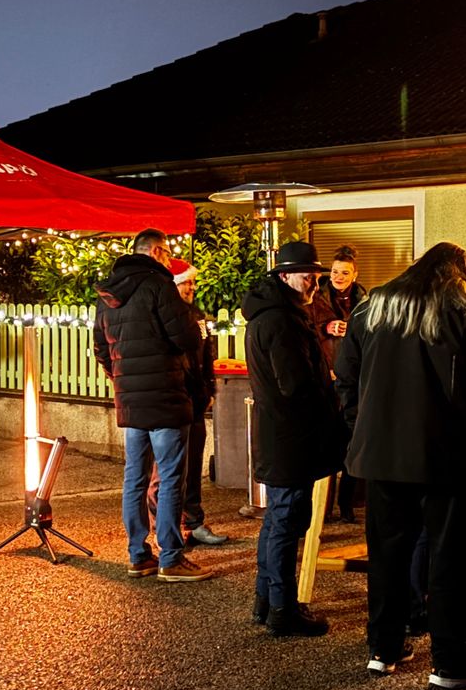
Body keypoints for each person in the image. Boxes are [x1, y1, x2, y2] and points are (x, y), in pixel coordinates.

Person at [335, 242, 466, 690]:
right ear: (463, 273)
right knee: (453, 557)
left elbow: (346, 374)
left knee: (388, 554)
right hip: (450, 457)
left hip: (382, 456)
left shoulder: (370, 309)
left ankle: (384, 647)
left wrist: (362, 427)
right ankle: (451, 660)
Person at [242, 240, 348, 637]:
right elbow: (295, 384)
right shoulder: (282, 321)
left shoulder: (272, 315)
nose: (314, 282)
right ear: (284, 276)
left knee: (277, 521)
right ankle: (283, 608)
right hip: (291, 435)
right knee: (287, 521)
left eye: (316, 275)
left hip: (281, 434)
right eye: (308, 274)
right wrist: (330, 392)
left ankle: (267, 601)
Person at [94, 229, 211, 583]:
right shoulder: (160, 286)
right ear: (157, 252)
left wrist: (121, 380)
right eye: (167, 254)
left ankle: (138, 555)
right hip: (165, 395)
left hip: (130, 398)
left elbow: (101, 348)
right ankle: (171, 558)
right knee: (172, 477)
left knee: (135, 478)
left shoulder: (107, 295)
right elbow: (186, 337)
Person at [144, 258, 228, 548]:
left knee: (192, 466)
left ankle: (193, 522)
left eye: (192, 282)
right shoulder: (162, 316)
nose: (190, 288)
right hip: (172, 400)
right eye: (185, 283)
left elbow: (207, 354)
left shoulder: (199, 315)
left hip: (196, 398)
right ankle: (161, 526)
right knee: (166, 469)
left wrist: (210, 388)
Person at [309, 245, 368, 522]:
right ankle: (320, 506)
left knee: (352, 442)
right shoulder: (315, 297)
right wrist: (326, 328)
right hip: (325, 378)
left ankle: (348, 504)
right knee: (325, 444)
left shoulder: (364, 301)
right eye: (334, 271)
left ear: (354, 275)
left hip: (354, 380)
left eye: (344, 272)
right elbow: (307, 330)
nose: (338, 276)